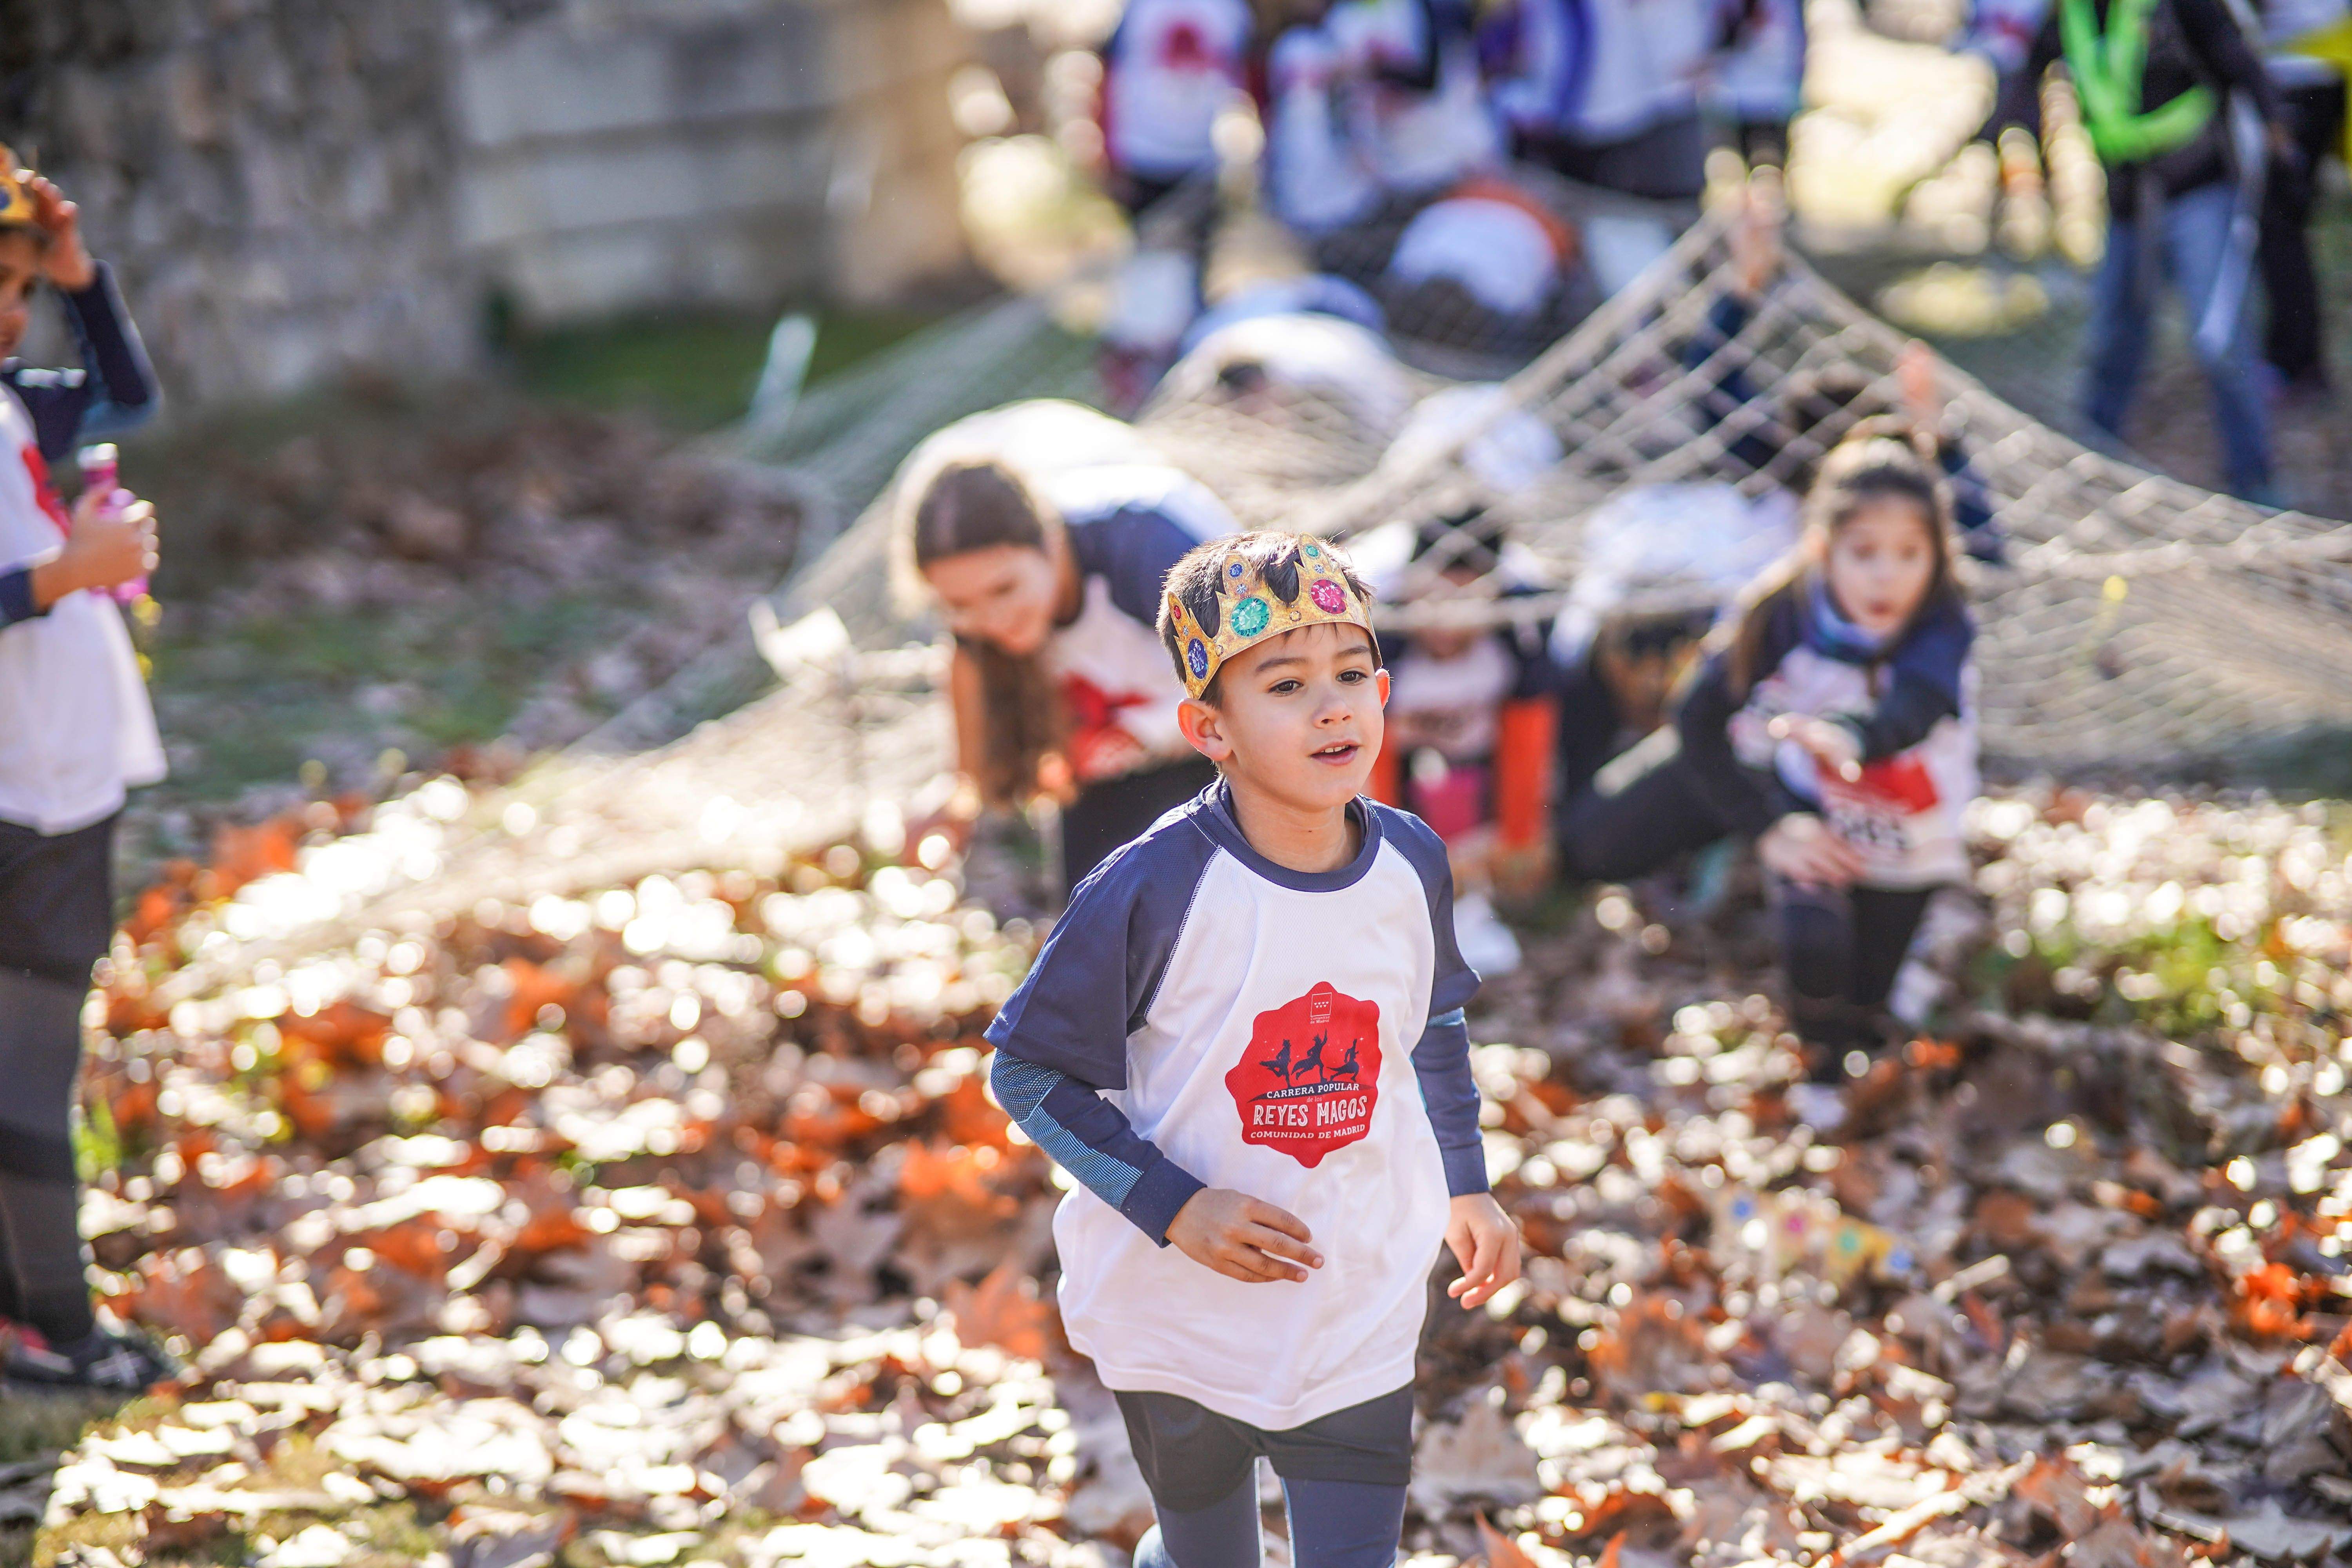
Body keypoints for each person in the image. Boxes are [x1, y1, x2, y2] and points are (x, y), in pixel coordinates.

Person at [985, 530, 1521, 1568]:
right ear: (1209, 727)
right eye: (1285, 685)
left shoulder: (1412, 858)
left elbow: (1435, 1023)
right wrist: (1174, 1206)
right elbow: (1029, 1071)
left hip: (1355, 1286)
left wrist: (1468, 1184)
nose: (1334, 708)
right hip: (1179, 1310)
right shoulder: (1150, 887)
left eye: (1353, 674)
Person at [1558, 428, 1977, 1075]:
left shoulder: (1943, 623)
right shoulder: (1778, 611)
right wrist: (1770, 826)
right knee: (1813, 940)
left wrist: (1850, 737)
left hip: (1900, 813)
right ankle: (1821, 1064)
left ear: (1937, 557)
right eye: (1864, 553)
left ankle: (1867, 1027)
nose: (1886, 575)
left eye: (1908, 554)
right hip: (1790, 783)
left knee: (1868, 989)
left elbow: (1915, 708)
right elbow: (1696, 717)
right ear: (1822, 549)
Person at [0, 154, 173, 1390]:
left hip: (56, 775)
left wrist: (77, 280)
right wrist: (72, 569)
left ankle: (31, 1320)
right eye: (3, 289)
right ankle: (57, 1335)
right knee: (29, 1069)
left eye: (18, 292)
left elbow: (127, 396)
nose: (14, 317)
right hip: (29, 788)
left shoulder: (9, 397)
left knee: (23, 1062)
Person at [898, 412, 1243, 897]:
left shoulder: (1147, 547)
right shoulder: (976, 630)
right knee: (1093, 916)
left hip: (1228, 747)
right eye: (960, 605)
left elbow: (1252, 686)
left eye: (1005, 589)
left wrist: (1131, 735)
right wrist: (954, 801)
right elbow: (970, 773)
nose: (991, 619)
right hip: (1114, 771)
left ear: (1051, 543)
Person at [1991, 0, 2285, 501]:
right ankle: (2090, 468)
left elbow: (2238, 62)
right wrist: (2018, 145)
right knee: (2114, 335)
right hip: (2126, 200)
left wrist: (2278, 142)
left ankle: (2256, 482)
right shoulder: (2070, 13)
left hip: (2199, 189)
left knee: (2219, 341)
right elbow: (2025, 85)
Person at [1366, 512, 1559, 975]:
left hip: (1482, 751)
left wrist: (1518, 836)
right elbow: (1361, 751)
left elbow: (1531, 728)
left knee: (1515, 859)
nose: (1448, 625)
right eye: (1434, 600)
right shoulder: (1376, 623)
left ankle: (1478, 908)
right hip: (1392, 750)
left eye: (1468, 603)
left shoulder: (1524, 624)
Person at [2255, 0, 2349, 396]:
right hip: (2321, 71)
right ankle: (2296, 359)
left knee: (2279, 228)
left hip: (2299, 77)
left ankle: (2296, 362)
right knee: (2286, 225)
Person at [1098, 0, 1263, 216]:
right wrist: (1109, 154)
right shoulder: (1136, 8)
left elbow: (1253, 81)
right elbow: (1109, 77)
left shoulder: (1231, 9)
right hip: (1142, 158)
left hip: (1203, 165)